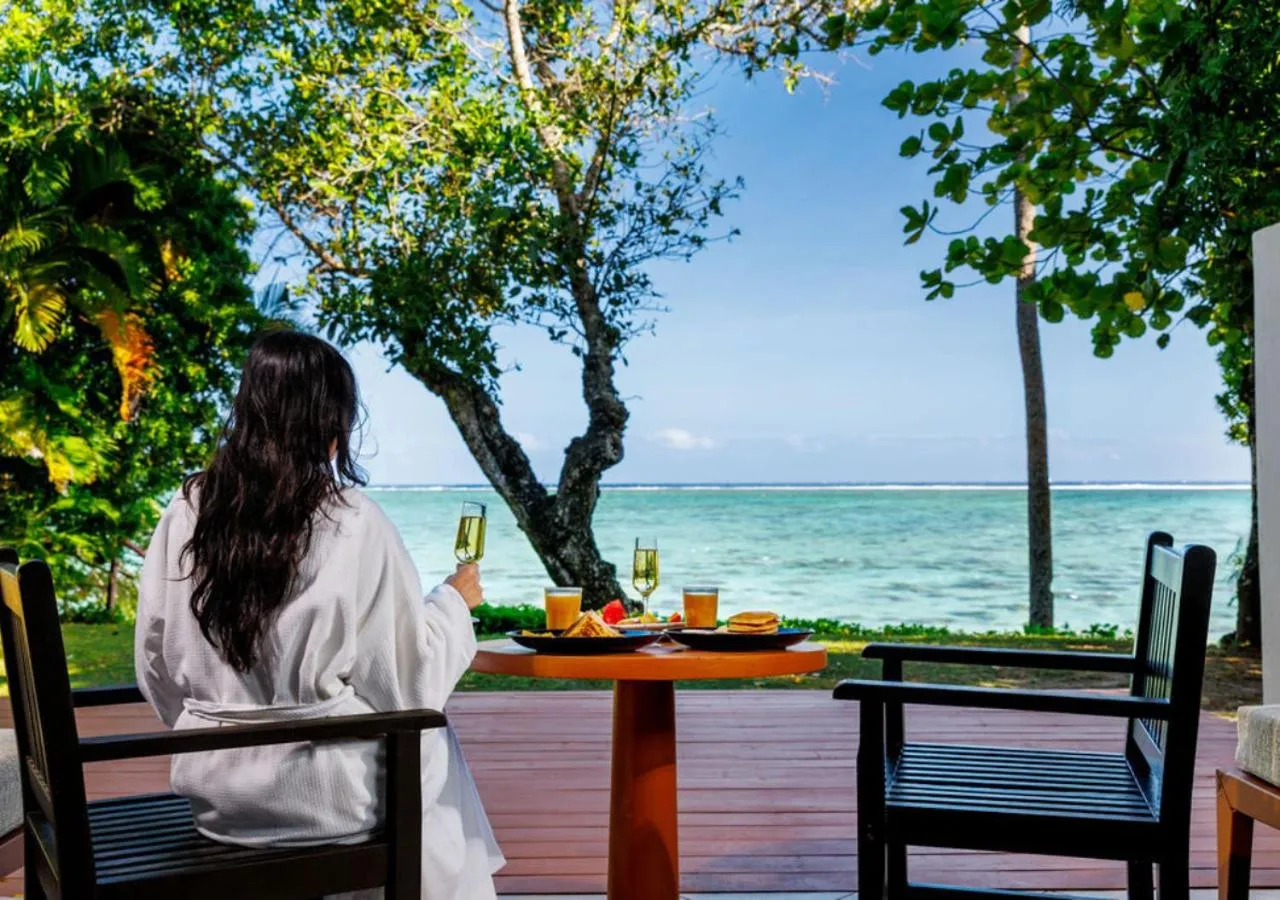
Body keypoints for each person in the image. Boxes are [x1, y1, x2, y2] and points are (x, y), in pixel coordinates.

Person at [135, 330, 504, 899]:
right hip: (325, 799)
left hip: (215, 797)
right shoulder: (353, 520)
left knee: (423, 748)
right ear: (332, 425)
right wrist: (452, 602)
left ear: (247, 412)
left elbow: (155, 665)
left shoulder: (187, 509)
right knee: (430, 748)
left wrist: (220, 724)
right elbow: (408, 686)